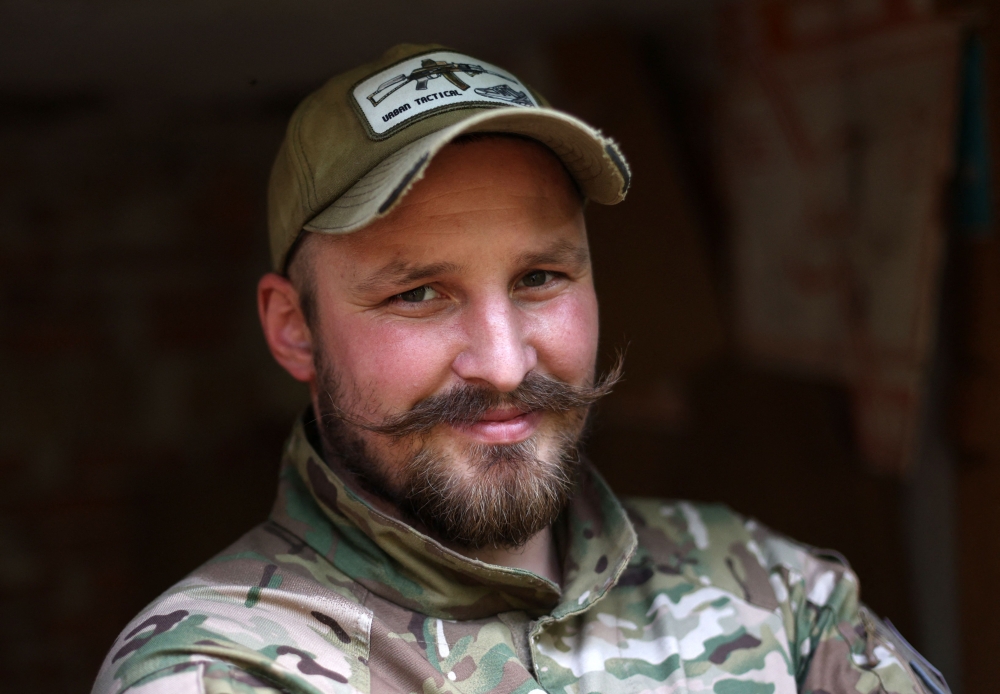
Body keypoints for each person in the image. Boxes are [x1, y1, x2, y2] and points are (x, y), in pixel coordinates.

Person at [93, 44, 949, 694]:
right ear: (295, 330)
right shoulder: (220, 666)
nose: (503, 365)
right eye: (420, 294)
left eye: (540, 279)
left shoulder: (768, 588)